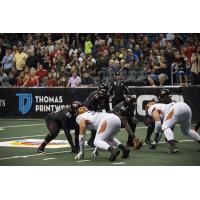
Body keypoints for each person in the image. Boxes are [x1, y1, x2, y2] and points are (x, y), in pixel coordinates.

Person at [82, 83, 110, 147]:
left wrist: (108, 114)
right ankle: (91, 140)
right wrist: (96, 113)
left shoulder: (106, 95)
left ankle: (94, 140)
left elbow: (106, 106)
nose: (105, 92)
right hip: (87, 109)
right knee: (95, 124)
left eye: (105, 91)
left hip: (94, 109)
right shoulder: (94, 95)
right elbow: (89, 105)